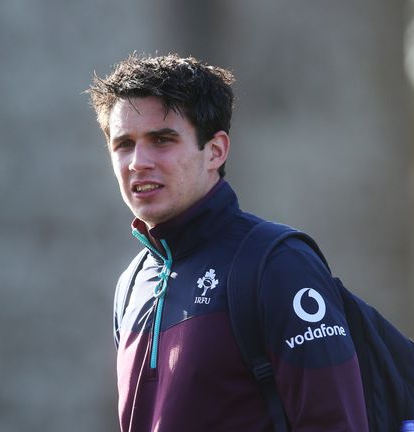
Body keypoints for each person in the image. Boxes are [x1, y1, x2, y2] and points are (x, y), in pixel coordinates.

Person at [88, 54, 368, 431]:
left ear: (215, 151)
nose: (138, 162)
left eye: (161, 139)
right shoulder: (131, 283)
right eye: (124, 144)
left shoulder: (278, 264)